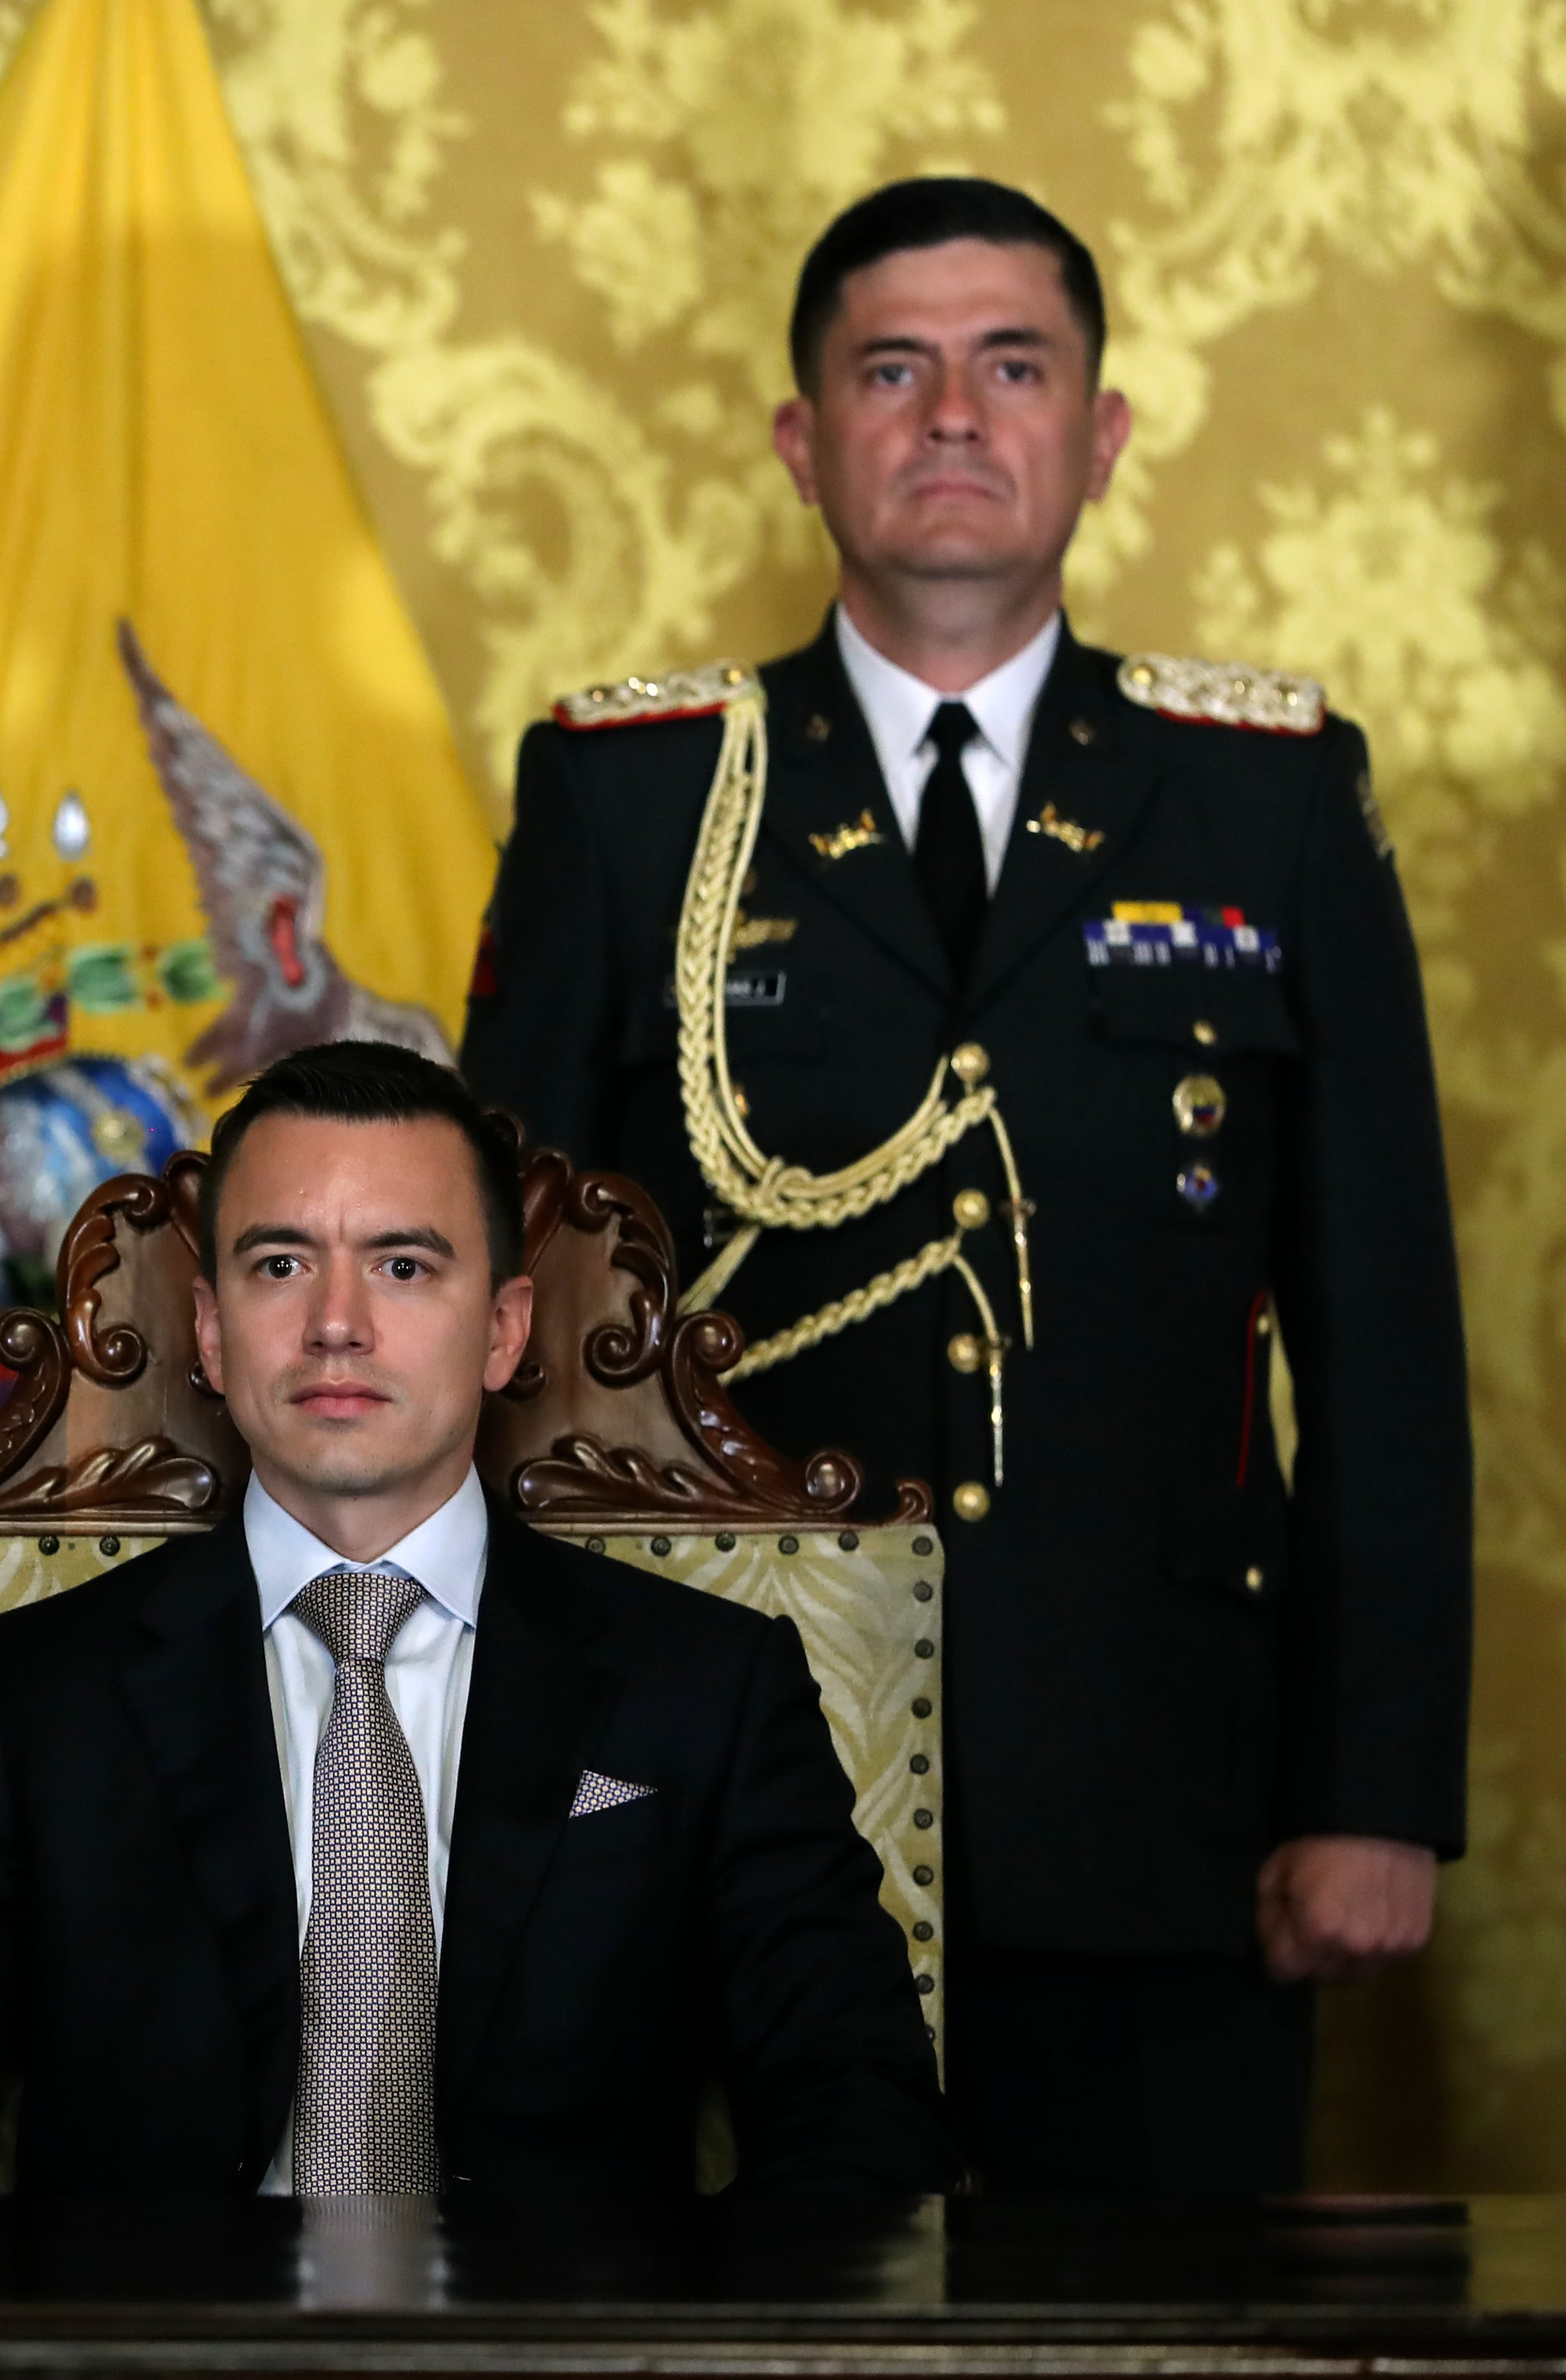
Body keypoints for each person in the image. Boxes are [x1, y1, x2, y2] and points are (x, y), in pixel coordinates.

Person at [460, 177, 1467, 2197]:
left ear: (1098, 434)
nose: (950, 416)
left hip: (1152, 1802)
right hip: (699, 1801)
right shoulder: (637, 788)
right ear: (802, 440)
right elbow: (506, 1311)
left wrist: (1372, 1793)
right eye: (890, 370)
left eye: (1013, 367)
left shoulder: (1264, 790)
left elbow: (1384, 1332)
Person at [0, 1039, 950, 2205]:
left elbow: (865, 2104)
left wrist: (665, 2358)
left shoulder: (706, 1688)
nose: (336, 1322)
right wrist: (33, 2348)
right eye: (279, 1264)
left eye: (404, 1265)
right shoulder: (37, 1694)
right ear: (211, 1333)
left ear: (504, 1329)